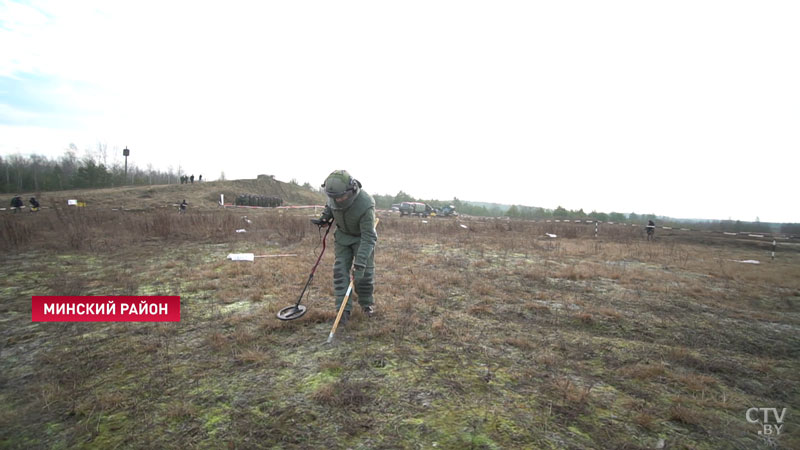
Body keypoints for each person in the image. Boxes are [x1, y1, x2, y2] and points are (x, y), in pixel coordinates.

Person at [312, 170, 378, 324]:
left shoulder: (366, 204)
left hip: (362, 238)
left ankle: (366, 304)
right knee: (340, 272)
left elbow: (369, 237)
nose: (339, 200)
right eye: (334, 197)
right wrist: (325, 218)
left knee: (363, 275)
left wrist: (360, 262)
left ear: (352, 189)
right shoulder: (334, 198)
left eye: (341, 196)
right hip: (342, 238)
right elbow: (330, 206)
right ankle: (343, 310)